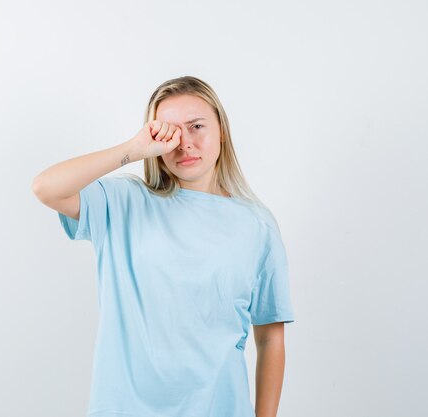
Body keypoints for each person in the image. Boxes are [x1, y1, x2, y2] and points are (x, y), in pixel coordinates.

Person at [32, 75, 296, 417]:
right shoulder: (124, 203)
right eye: (168, 132)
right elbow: (46, 188)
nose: (184, 143)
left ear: (222, 131)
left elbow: (270, 337)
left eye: (197, 126)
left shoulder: (257, 225)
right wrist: (134, 149)